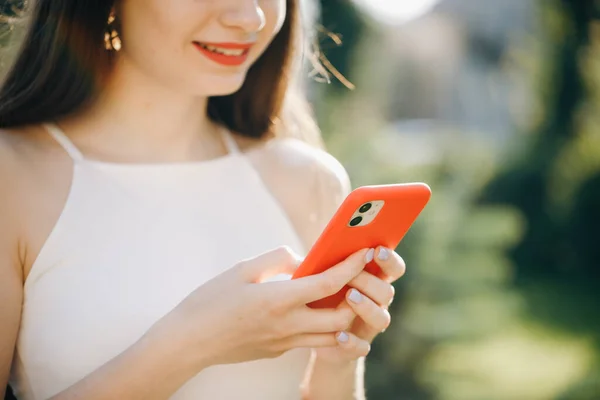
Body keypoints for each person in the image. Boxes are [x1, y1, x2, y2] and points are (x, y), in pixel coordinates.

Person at [0, 1, 405, 399]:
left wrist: (338, 359)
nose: (251, 17)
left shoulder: (309, 180)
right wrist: (194, 343)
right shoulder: (13, 174)